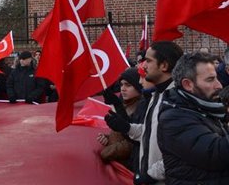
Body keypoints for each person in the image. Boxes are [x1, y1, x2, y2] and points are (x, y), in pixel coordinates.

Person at [105, 41, 183, 184]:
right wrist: (126, 127)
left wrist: (150, 175)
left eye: (148, 61)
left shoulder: (177, 100)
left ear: (164, 65)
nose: (143, 65)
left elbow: (181, 151)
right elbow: (150, 133)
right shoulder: (157, 96)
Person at [157, 52, 229, 184]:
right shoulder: (174, 118)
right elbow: (216, 153)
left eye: (216, 78)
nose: (219, 85)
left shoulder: (206, 108)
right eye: (210, 79)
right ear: (188, 84)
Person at [97, 68, 143, 170]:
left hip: (130, 168)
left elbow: (132, 142)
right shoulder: (125, 104)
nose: (123, 88)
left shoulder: (141, 108)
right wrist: (108, 138)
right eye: (121, 84)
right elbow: (122, 134)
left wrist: (106, 152)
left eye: (128, 85)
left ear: (138, 85)